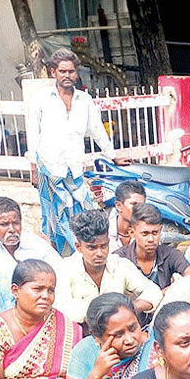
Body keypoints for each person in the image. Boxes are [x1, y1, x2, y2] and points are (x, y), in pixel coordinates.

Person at [28, 48, 116, 253]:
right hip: (49, 171)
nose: (67, 76)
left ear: (76, 73)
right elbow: (33, 133)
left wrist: (113, 156)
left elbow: (97, 131)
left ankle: (80, 256)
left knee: (83, 214)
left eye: (71, 71)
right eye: (62, 71)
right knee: (51, 219)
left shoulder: (84, 100)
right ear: (53, 72)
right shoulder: (41, 98)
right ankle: (56, 260)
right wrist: (33, 168)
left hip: (75, 170)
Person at [54, 209, 162, 325]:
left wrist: (130, 308)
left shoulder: (120, 264)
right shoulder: (66, 269)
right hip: (81, 334)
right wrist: (108, 313)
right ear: (78, 247)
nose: (100, 253)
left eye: (104, 246)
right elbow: (63, 309)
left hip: (118, 329)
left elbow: (153, 291)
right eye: (92, 248)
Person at [64, 293, 158, 379]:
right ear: (97, 337)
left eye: (133, 328)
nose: (129, 340)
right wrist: (97, 374)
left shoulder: (157, 347)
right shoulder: (87, 349)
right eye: (118, 335)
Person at [0, 196, 65, 286]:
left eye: (16, 223)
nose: (11, 229)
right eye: (4, 224)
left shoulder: (36, 244)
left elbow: (61, 273)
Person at [116, 202, 190, 289]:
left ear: (160, 230)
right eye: (145, 233)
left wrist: (176, 287)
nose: (151, 239)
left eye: (155, 233)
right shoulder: (119, 258)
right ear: (132, 232)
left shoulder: (170, 254)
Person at [108, 181, 147, 255]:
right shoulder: (103, 232)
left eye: (142, 205)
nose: (139, 209)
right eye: (134, 204)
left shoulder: (148, 234)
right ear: (119, 205)